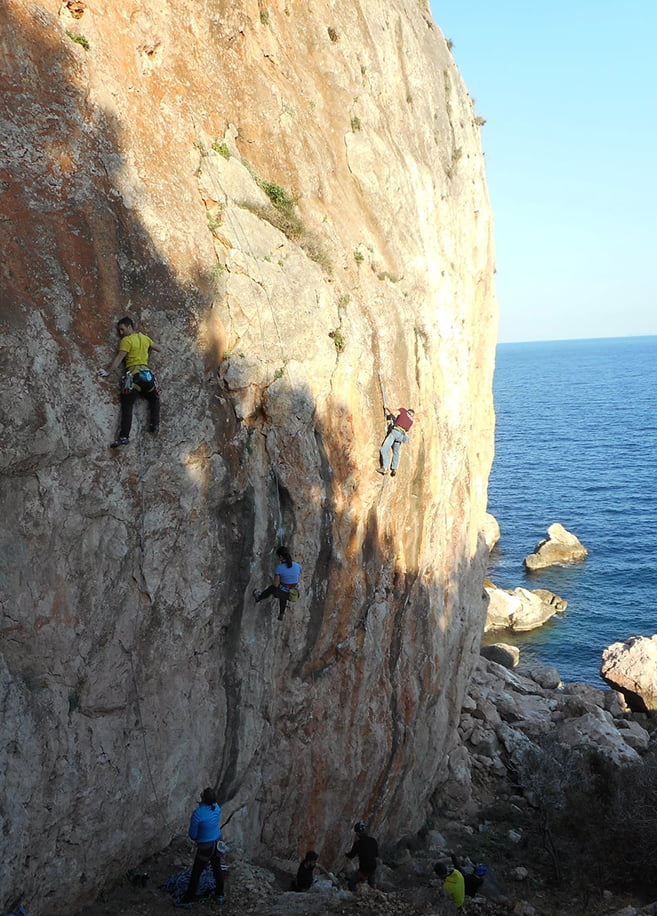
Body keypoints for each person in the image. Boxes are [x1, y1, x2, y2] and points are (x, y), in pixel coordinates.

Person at [98, 316, 160, 448]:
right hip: (148, 376)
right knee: (154, 398)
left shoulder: (126, 340)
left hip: (135, 376)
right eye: (119, 330)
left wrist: (108, 371)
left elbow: (119, 358)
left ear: (130, 327)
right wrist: (146, 347)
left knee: (127, 405)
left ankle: (124, 437)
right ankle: (155, 424)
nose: (120, 333)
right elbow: (158, 348)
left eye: (122, 329)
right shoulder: (145, 338)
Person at [180, 787, 225, 905]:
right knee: (217, 868)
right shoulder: (216, 807)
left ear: (203, 798)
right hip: (217, 841)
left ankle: (187, 899)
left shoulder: (198, 814)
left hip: (206, 846)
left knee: (196, 872)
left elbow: (193, 835)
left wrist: (199, 837)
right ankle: (220, 895)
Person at [253, 546, 301, 620]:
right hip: (294, 592)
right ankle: (281, 613)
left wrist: (271, 579)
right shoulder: (297, 565)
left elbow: (275, 584)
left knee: (273, 588)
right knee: (284, 595)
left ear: (281, 556)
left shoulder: (279, 568)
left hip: (285, 592)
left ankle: (259, 597)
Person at [377, 405, 414, 476]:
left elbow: (394, 413)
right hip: (401, 436)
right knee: (396, 452)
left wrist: (387, 407)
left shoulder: (403, 411)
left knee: (383, 449)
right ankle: (394, 468)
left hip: (395, 432)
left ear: (408, 411)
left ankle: (385, 468)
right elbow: (406, 429)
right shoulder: (411, 420)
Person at [346, 821, 378, 892]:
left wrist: (345, 854)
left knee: (351, 884)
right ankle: (374, 892)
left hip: (363, 869)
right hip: (373, 867)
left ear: (357, 833)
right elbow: (376, 854)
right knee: (371, 883)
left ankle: (356, 895)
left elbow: (351, 855)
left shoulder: (358, 844)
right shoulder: (373, 841)